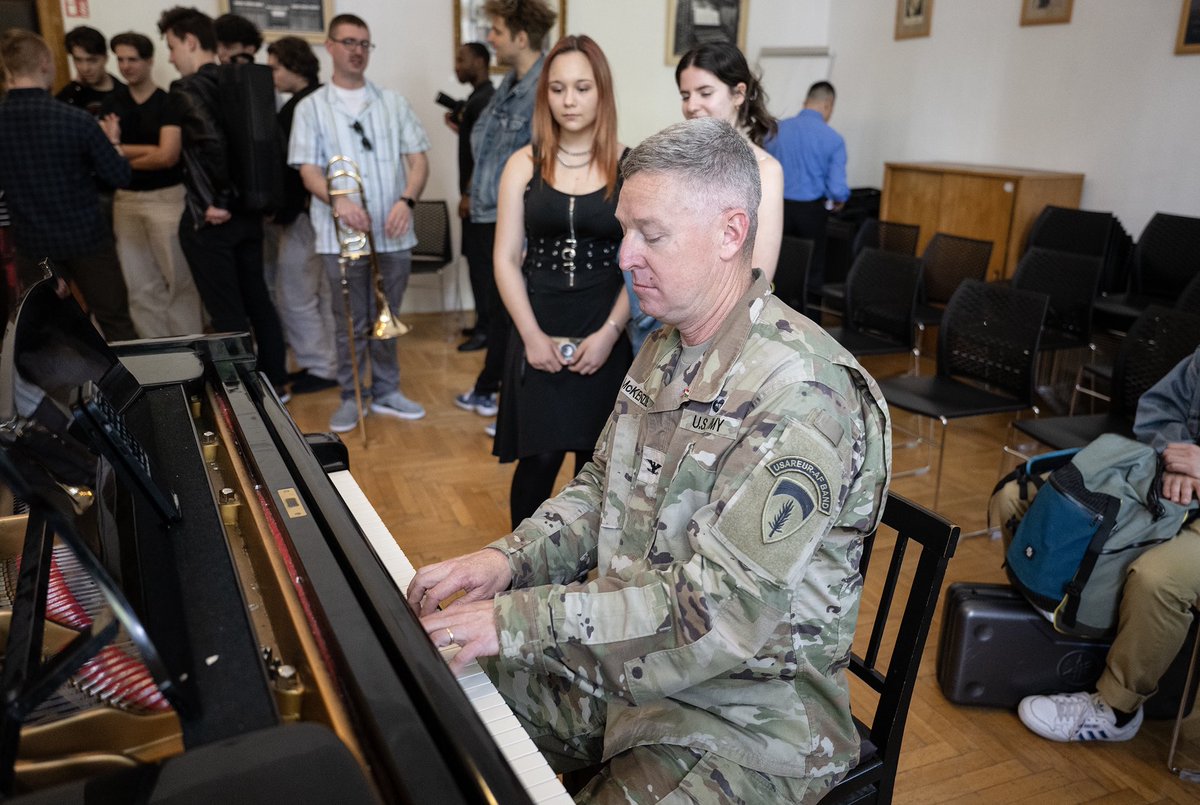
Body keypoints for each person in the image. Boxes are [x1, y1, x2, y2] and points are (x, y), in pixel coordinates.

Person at [407, 118, 891, 803]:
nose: (624, 255)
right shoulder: (668, 343)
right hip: (627, 660)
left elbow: (716, 616)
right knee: (428, 708)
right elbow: (603, 487)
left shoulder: (805, 395)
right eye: (625, 229)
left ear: (730, 232)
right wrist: (509, 561)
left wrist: (515, 618)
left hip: (745, 717)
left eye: (650, 234)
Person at [1016, 346, 1200, 743]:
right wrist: (1176, 457)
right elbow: (1161, 407)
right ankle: (1058, 639)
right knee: (1029, 495)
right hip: (1178, 485)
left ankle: (1117, 709)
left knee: (1158, 579)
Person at [491, 34, 631, 528]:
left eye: (582, 87)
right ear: (544, 95)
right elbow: (506, 258)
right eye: (557, 88)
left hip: (606, 322)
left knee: (597, 466)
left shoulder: (629, 163)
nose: (569, 100)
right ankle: (521, 574)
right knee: (539, 460)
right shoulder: (522, 164)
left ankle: (581, 588)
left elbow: (638, 261)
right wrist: (530, 335)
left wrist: (610, 334)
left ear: (602, 92)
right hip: (537, 320)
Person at [290, 13, 430, 432]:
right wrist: (339, 200)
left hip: (393, 233)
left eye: (364, 44)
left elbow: (418, 160)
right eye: (348, 42)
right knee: (349, 317)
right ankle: (353, 396)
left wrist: (407, 200)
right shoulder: (311, 106)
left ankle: (386, 390)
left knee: (388, 315)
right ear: (330, 46)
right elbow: (308, 170)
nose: (357, 51)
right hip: (341, 237)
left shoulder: (393, 102)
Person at [157, 7, 288, 395]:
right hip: (250, 214)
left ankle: (244, 394)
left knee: (227, 313)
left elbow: (211, 141)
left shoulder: (188, 88)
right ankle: (276, 384)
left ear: (190, 41)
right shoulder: (241, 81)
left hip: (214, 218)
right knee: (259, 302)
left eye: (171, 46)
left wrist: (219, 198)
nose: (170, 56)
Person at [452, 0, 558, 425]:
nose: (489, 39)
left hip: (514, 217)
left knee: (514, 313)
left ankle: (506, 400)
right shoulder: (508, 84)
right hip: (488, 211)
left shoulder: (543, 89)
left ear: (520, 36)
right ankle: (492, 389)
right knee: (498, 312)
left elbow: (544, 162)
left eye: (495, 31)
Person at [0, 29, 136, 342]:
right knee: (116, 323)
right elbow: (119, 176)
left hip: (32, 244)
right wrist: (114, 141)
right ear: (46, 63)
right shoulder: (75, 119)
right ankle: (132, 390)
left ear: (8, 69)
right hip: (87, 238)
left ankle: (60, 391)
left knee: (47, 331)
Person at [98, 31, 203, 338]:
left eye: (132, 59)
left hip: (167, 198)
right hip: (126, 200)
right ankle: (157, 355)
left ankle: (189, 349)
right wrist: (146, 150)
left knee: (179, 279)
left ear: (148, 61)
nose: (126, 66)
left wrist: (120, 149)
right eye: (120, 60)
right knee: (140, 284)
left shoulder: (168, 101)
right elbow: (104, 154)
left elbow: (168, 156)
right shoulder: (112, 102)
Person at [264, 35, 336, 395]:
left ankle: (319, 365)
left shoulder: (298, 108)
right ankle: (329, 361)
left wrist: (281, 212)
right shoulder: (326, 99)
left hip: (306, 212)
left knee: (294, 293)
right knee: (320, 291)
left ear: (294, 66)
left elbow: (293, 171)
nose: (271, 73)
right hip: (328, 212)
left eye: (276, 66)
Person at [675, 41, 783, 281]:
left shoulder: (765, 169)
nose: (691, 106)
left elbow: (759, 274)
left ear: (738, 94)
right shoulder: (680, 160)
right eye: (685, 95)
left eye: (705, 93)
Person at [766, 81, 849, 319]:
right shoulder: (833, 139)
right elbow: (837, 189)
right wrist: (839, 200)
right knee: (812, 272)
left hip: (777, 209)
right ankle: (810, 330)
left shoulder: (776, 131)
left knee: (778, 266)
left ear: (805, 102)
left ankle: (773, 322)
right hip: (812, 214)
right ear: (827, 105)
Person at [446, 41, 495, 353]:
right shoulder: (477, 100)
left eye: (462, 59)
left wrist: (468, 193)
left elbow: (488, 155)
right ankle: (482, 324)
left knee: (484, 268)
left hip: (481, 203)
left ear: (479, 61)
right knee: (476, 265)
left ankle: (488, 332)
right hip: (475, 201)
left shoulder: (487, 100)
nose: (457, 66)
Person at [56, 26, 123, 117]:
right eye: (78, 60)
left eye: (92, 60)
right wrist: (74, 87)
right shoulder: (70, 94)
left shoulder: (123, 94)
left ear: (105, 58)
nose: (85, 68)